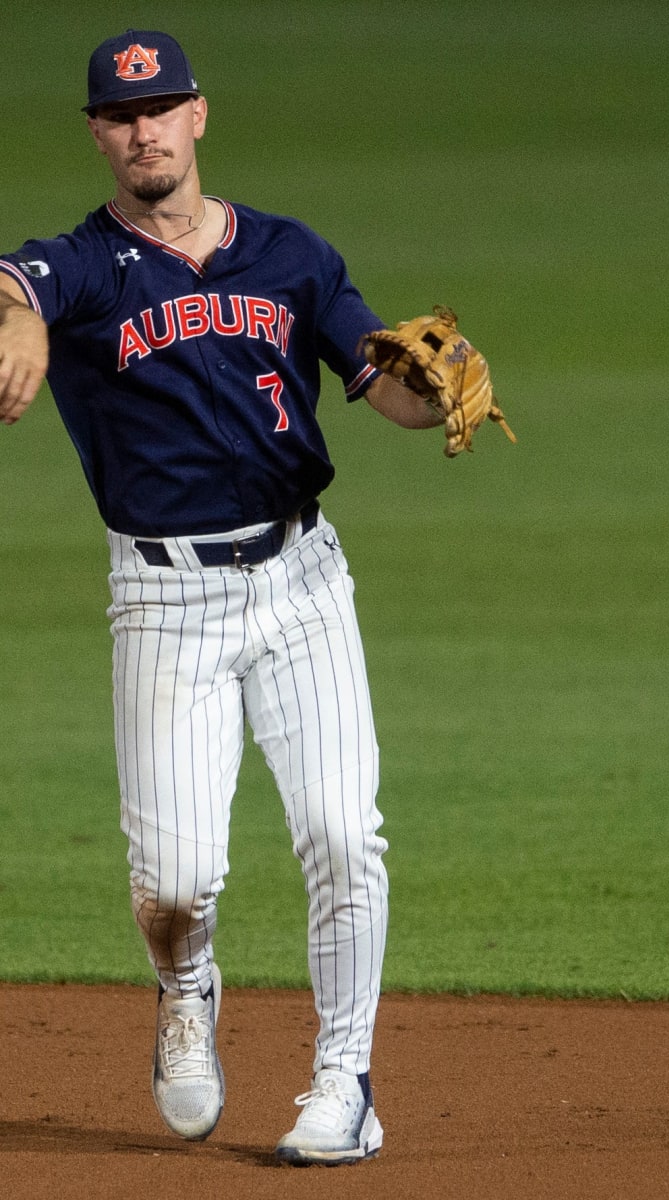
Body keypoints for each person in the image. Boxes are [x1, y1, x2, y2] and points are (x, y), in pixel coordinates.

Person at [0, 30, 444, 1166]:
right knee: (179, 883)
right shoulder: (91, 266)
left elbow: (379, 384)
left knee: (346, 835)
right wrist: (18, 327)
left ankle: (344, 1084)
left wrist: (431, 388)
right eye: (119, 114)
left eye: (161, 107)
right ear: (99, 134)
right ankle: (183, 985)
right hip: (164, 609)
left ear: (199, 114)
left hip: (302, 584)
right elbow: (18, 280)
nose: (143, 129)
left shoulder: (293, 257)